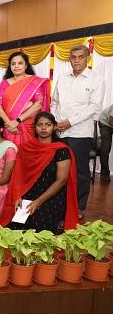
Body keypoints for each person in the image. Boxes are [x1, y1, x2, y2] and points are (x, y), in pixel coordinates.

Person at [0, 112, 78, 232]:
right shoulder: (26, 148)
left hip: (52, 195)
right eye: (40, 125)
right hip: (30, 192)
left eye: (48, 125)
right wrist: (18, 196)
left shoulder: (61, 150)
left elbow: (61, 181)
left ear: (54, 127)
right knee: (15, 227)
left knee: (37, 226)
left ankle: (59, 220)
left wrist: (38, 202)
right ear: (35, 127)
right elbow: (19, 176)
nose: (44, 128)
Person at [51, 45, 105, 219]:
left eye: (80, 57)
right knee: (59, 170)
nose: (76, 60)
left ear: (88, 58)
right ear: (69, 59)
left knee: (80, 171)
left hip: (81, 132)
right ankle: (60, 204)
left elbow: (94, 107)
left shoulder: (96, 79)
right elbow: (54, 102)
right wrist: (56, 121)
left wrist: (70, 122)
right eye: (73, 57)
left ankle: (79, 207)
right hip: (59, 132)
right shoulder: (62, 78)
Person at [0, 51, 50, 148]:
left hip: (27, 126)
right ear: (10, 66)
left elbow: (38, 105)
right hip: (8, 127)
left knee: (27, 153)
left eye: (20, 63)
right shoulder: (4, 83)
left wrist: (17, 121)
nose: (16, 66)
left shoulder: (35, 81)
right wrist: (9, 124)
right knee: (10, 153)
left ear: (26, 65)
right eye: (13, 64)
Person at [98, 102, 113, 183]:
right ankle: (104, 174)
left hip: (110, 121)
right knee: (106, 148)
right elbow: (111, 120)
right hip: (105, 123)